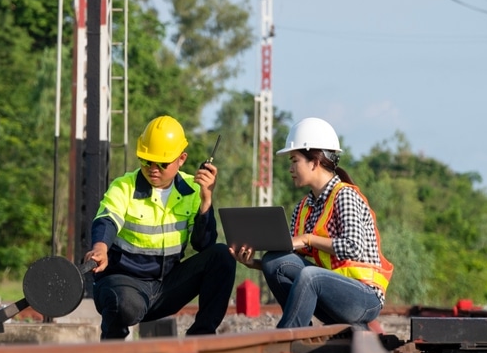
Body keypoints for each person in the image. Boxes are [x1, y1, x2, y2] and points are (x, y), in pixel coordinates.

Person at [231, 117, 394, 329]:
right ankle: (302, 332)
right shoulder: (303, 208)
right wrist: (252, 263)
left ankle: (287, 335)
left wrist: (307, 239)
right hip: (330, 298)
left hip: (364, 298)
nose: (290, 168)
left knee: (311, 275)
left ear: (315, 162)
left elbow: (353, 247)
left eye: (294, 161)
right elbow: (289, 267)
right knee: (274, 260)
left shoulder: (344, 196)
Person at [84, 115, 237, 340]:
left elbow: (203, 245)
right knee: (123, 304)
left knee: (222, 256)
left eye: (162, 163)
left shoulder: (192, 191)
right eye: (146, 161)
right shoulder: (124, 186)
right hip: (124, 284)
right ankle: (112, 347)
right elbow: (107, 219)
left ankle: (201, 338)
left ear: (181, 159)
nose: (153, 169)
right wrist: (100, 247)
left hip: (166, 286)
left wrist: (206, 201)